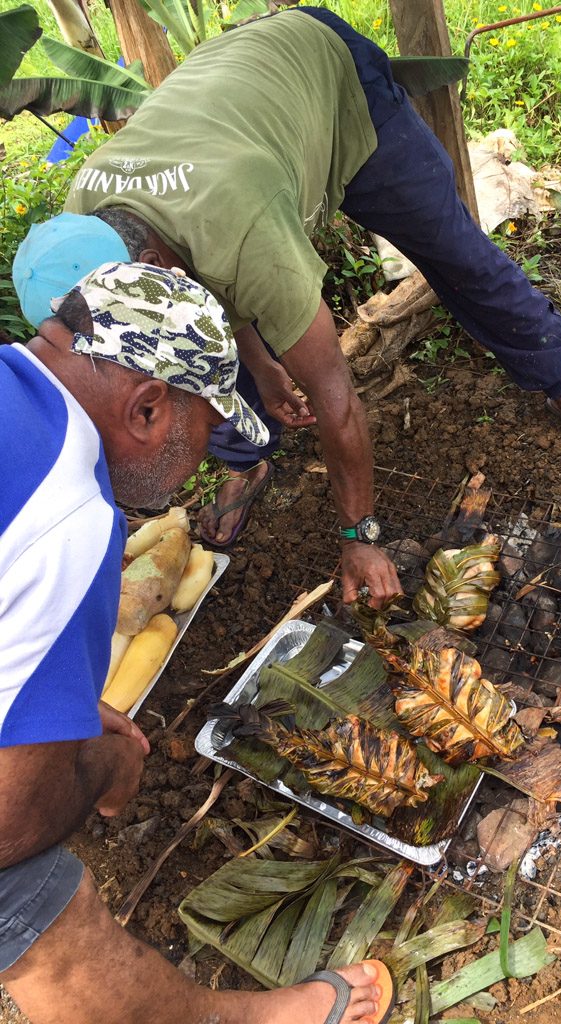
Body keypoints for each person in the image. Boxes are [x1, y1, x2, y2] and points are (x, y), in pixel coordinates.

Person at [13, 6, 561, 609]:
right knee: (196, 348)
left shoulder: (246, 233)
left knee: (454, 251)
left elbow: (335, 397)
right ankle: (246, 462)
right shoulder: (84, 229)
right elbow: (196, 309)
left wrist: (360, 536)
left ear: (153, 268)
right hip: (236, 125)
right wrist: (260, 366)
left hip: (328, 77)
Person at [0, 260, 394, 1024]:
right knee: (36, 896)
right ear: (148, 409)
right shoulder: (69, 518)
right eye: (207, 431)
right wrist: (96, 767)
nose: (203, 463)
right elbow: (7, 823)